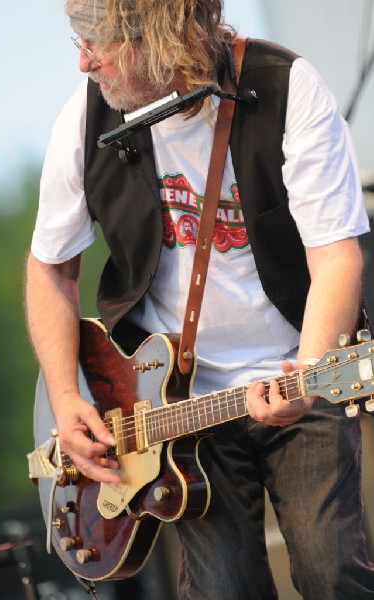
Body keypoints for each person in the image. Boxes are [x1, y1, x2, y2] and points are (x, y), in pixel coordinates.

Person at [25, 0, 374, 598]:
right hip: (171, 406)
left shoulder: (288, 88)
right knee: (223, 592)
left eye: (98, 44)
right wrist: (63, 397)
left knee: (331, 573)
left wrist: (308, 376)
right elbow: (49, 269)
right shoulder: (82, 122)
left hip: (298, 368)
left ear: (158, 39)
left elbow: (337, 255)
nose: (84, 62)